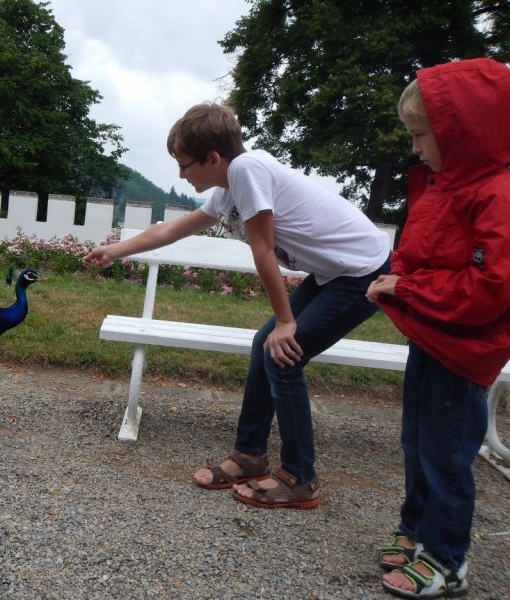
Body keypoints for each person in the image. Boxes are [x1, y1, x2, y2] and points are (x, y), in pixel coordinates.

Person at [83, 102, 391, 509]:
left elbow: (262, 250)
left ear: (213, 158)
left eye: (184, 164)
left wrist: (286, 321)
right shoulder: (228, 187)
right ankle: (250, 456)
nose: (181, 174)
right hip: (335, 274)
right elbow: (174, 230)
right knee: (264, 344)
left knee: (283, 354)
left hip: (363, 273)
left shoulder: (247, 170)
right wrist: (116, 251)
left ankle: (301, 479)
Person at [366, 58, 510, 598]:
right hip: (431, 339)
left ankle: (448, 560)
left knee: (447, 456)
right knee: (417, 443)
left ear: (462, 132)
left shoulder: (495, 194)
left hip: (463, 350)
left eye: (421, 135)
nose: (415, 149)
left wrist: (404, 290)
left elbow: (490, 287)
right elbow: (415, 251)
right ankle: (416, 531)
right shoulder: (445, 186)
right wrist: (396, 278)